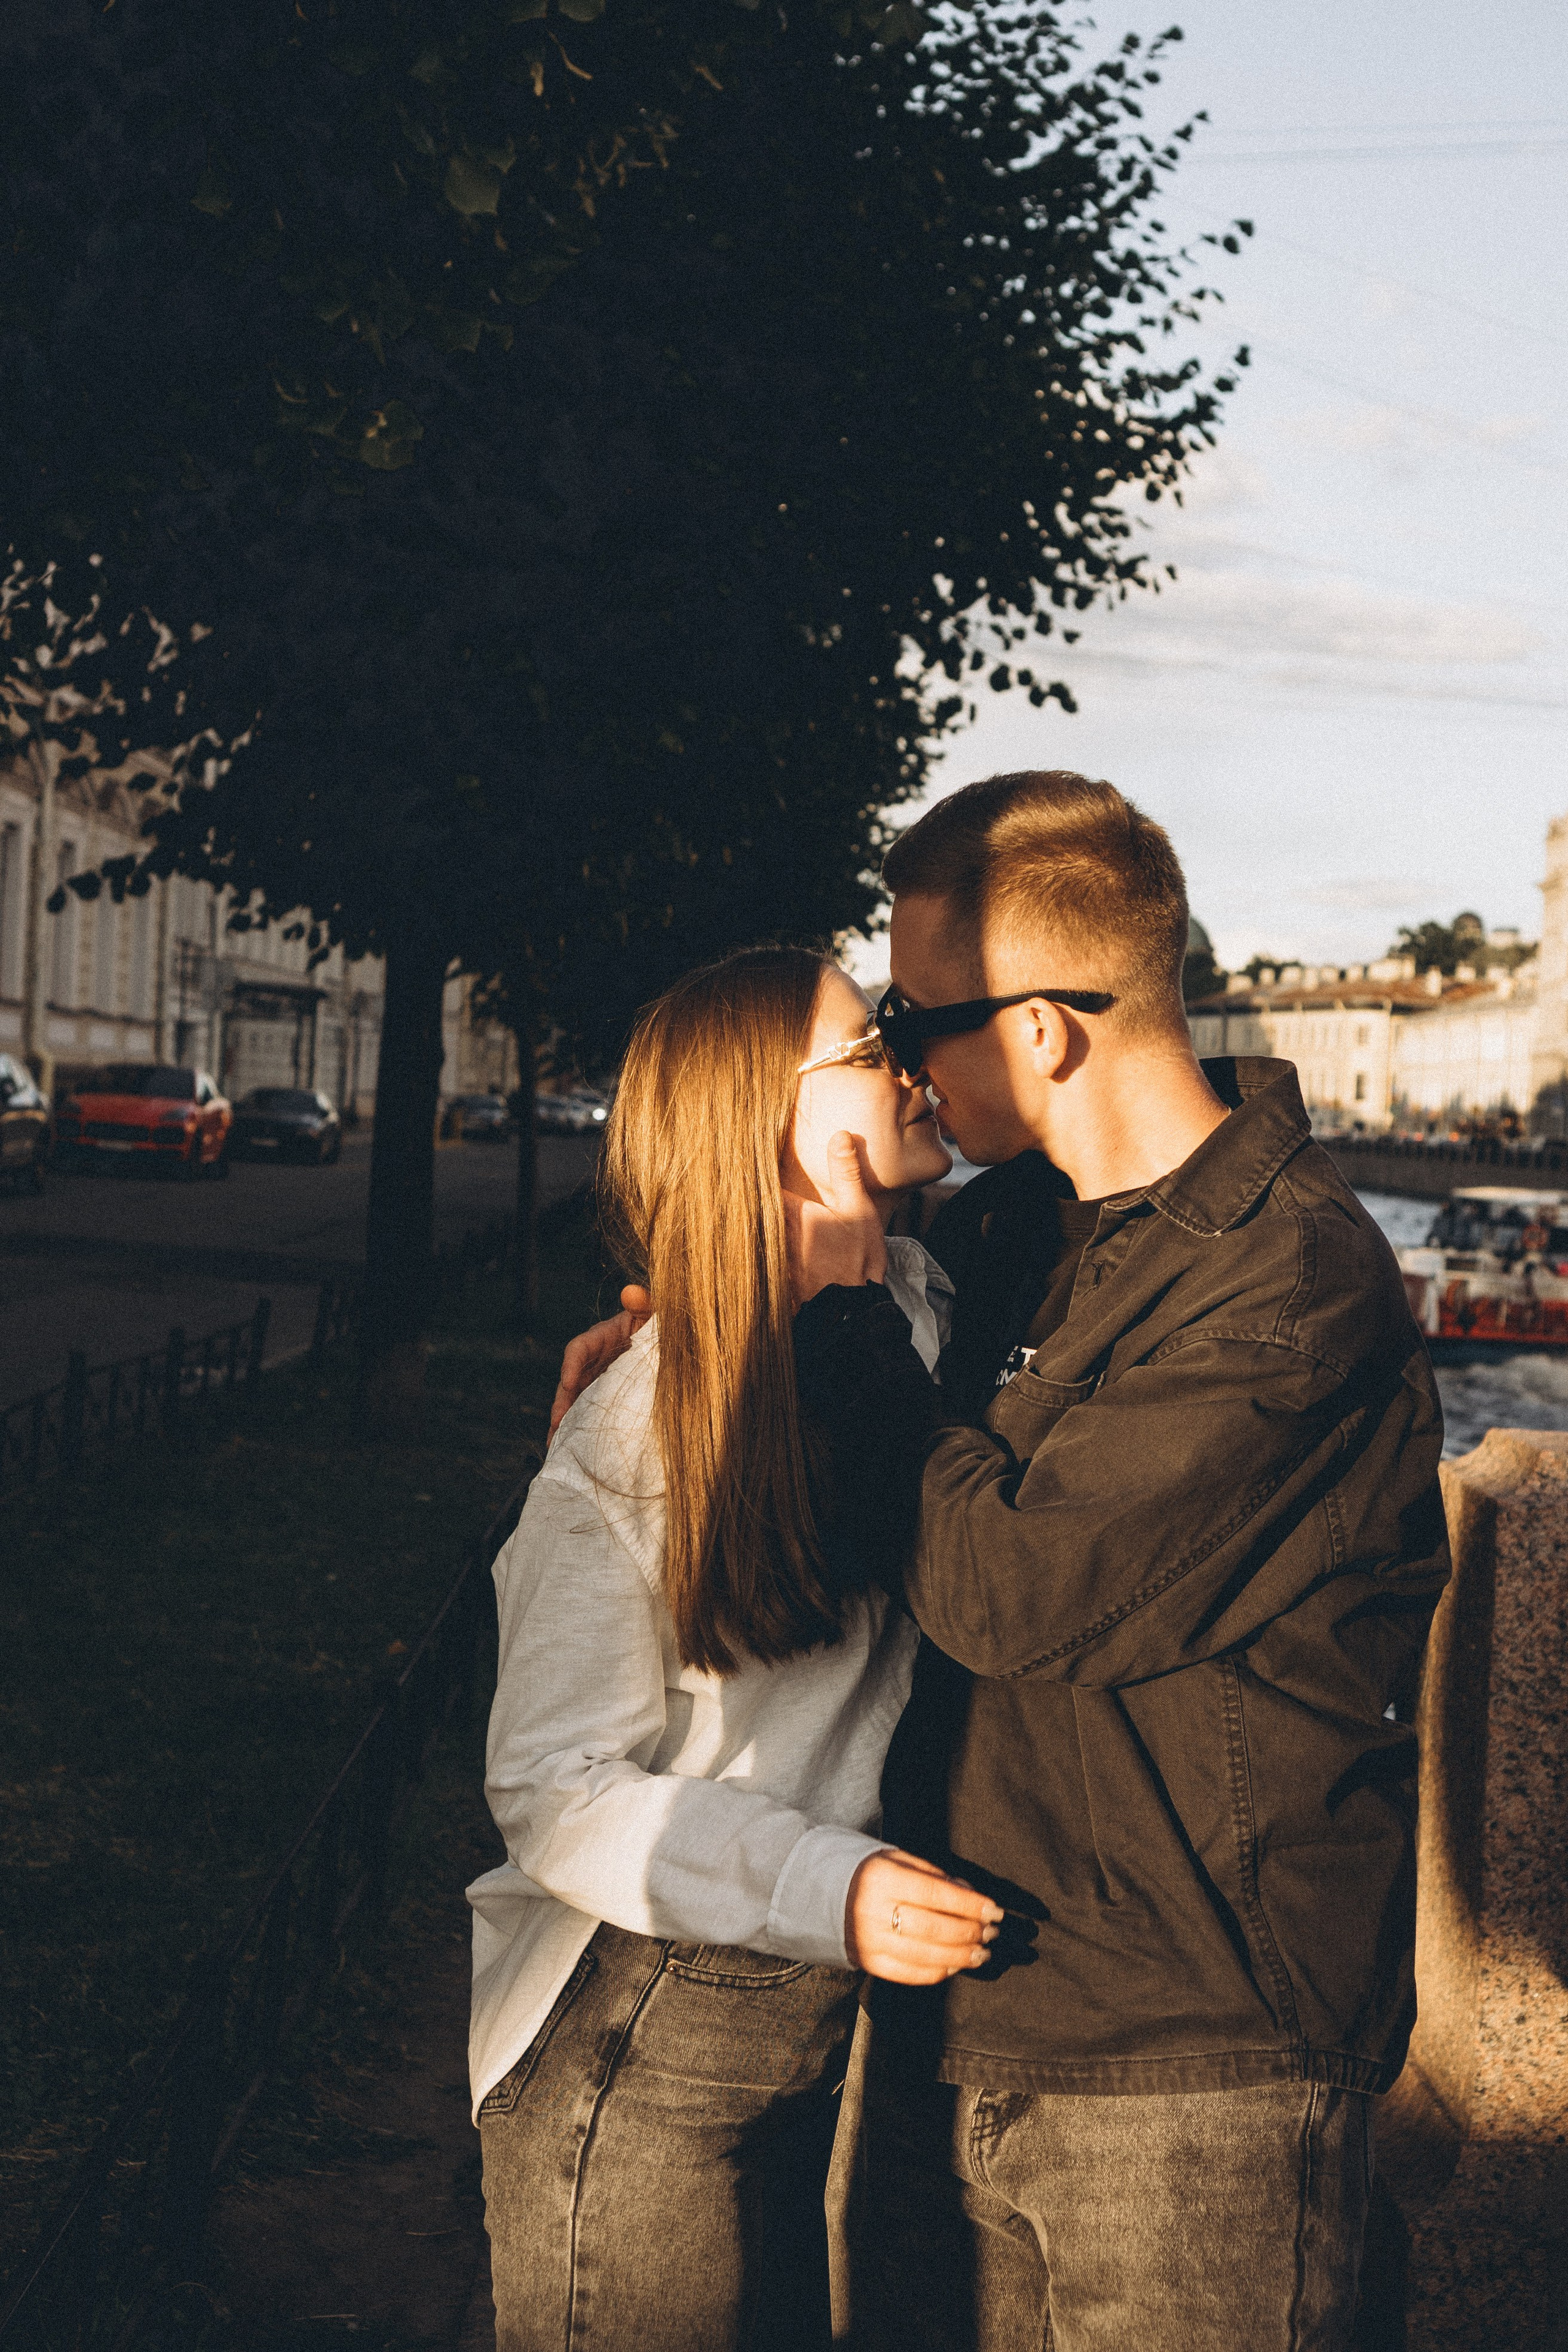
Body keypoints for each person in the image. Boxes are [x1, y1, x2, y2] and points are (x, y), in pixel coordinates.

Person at [556, 773, 1450, 2352]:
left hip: (1191, 2076)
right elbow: (819, 1354)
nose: (899, 1060)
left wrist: (840, 1329)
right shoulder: (1009, 1233)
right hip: (945, 2025)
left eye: (915, 1019)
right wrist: (677, 1345)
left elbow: (1011, 1592)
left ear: (1039, 1030)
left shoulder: (1288, 1284)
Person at [467, 944, 1002, 2352]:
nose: (907, 1061)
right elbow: (546, 1785)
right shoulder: (639, 1424)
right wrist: (828, 1883)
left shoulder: (928, 1319)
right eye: (867, 1044)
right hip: (640, 2040)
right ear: (764, 1119)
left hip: (812, 2028)